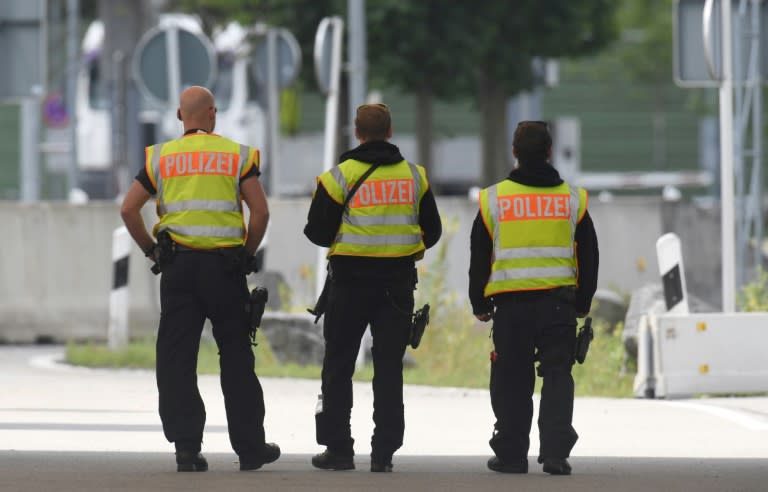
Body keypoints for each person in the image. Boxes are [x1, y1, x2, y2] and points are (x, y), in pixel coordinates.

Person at [119, 86, 280, 472]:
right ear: (213, 114)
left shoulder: (160, 158)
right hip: (225, 270)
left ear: (179, 116)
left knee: (176, 359)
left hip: (179, 271)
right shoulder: (235, 156)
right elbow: (260, 212)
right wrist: (246, 254)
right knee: (237, 357)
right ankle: (249, 449)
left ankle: (187, 450)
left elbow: (128, 209)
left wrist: (152, 252)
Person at [304, 103, 442, 473]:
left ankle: (339, 450)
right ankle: (383, 453)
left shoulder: (339, 177)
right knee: (388, 367)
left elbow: (317, 231)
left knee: (338, 364)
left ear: (357, 132)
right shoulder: (415, 177)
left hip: (349, 283)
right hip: (396, 284)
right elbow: (433, 231)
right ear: (390, 130)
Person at [468, 120, 599, 476]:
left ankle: (511, 456)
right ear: (549, 151)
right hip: (557, 305)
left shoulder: (493, 199)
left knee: (511, 378)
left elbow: (479, 255)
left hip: (511, 307)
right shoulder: (573, 200)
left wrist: (479, 303)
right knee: (557, 375)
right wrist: (583, 300)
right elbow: (588, 254)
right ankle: (555, 455)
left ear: (515, 153)